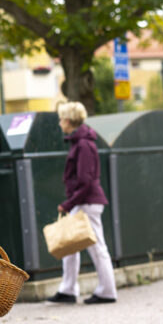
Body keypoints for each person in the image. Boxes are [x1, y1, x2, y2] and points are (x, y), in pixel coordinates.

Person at [46, 102, 118, 305]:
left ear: (68, 121)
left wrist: (68, 203)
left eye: (61, 119)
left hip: (86, 202)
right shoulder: (80, 142)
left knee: (96, 247)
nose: (60, 123)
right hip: (83, 201)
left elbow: (86, 180)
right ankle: (68, 289)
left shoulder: (84, 145)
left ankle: (107, 291)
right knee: (71, 245)